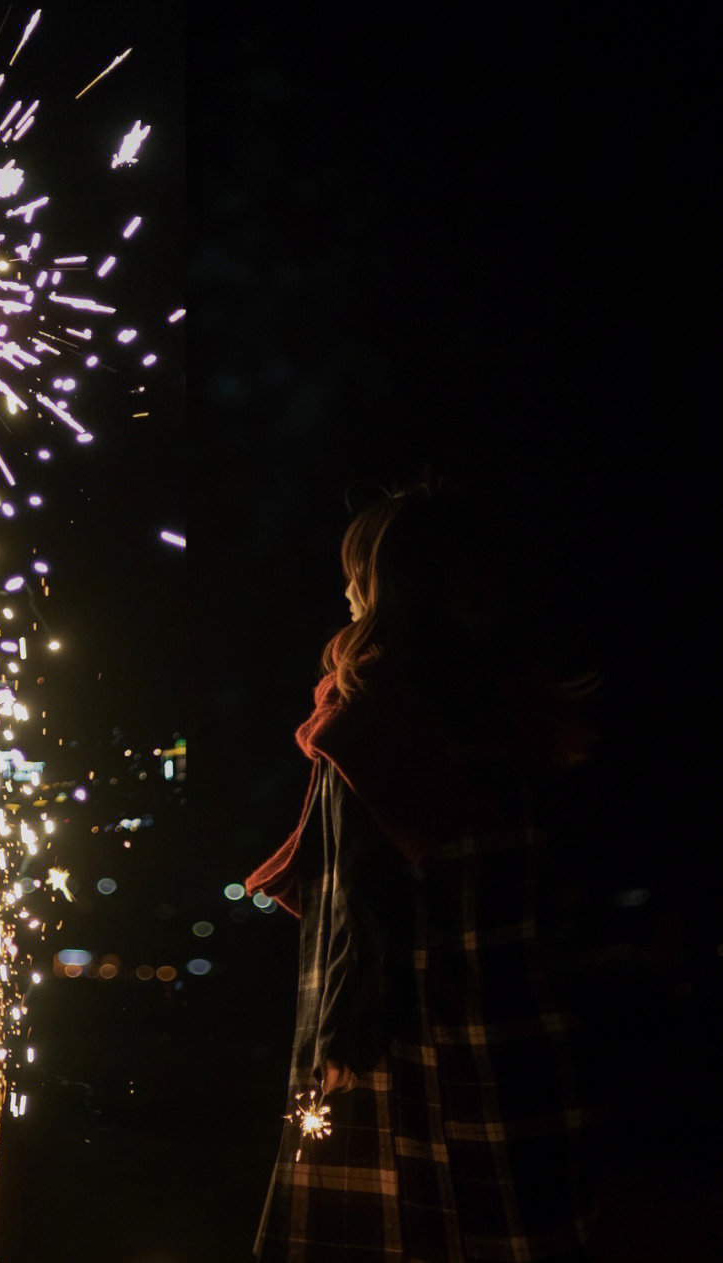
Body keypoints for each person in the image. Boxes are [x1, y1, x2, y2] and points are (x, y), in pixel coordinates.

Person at [246, 473, 606, 1261]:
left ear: (385, 582)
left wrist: (342, 1033)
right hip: (515, 1032)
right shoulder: (501, 702)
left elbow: (361, 906)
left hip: (404, 1039)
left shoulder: (372, 720)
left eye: (356, 569)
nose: (343, 588)